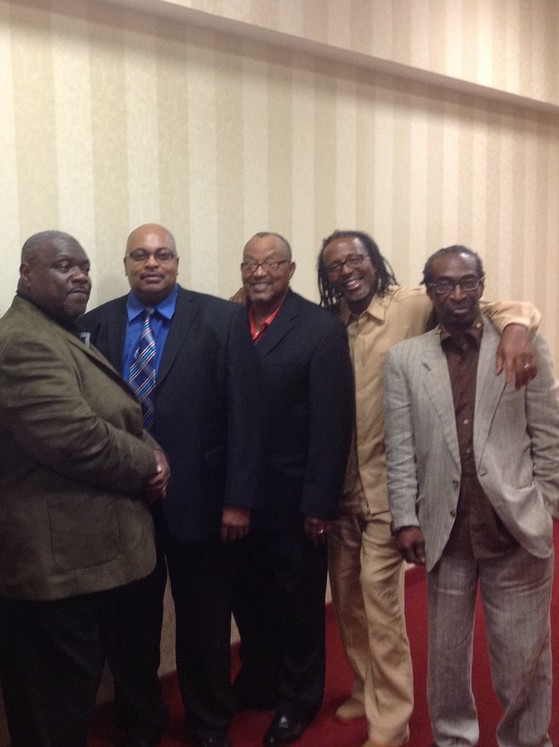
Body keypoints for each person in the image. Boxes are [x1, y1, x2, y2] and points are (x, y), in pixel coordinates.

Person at [317, 230, 541, 747]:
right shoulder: (331, 322)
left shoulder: (412, 304)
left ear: (375, 261)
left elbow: (491, 304)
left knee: (381, 604)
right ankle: (366, 686)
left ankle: (390, 721)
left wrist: (516, 326)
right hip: (340, 486)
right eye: (335, 266)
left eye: (356, 259)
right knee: (348, 600)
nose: (347, 271)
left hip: (389, 484)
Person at [0, 230, 170, 747]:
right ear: (27, 274)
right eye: (64, 266)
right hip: (53, 574)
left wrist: (150, 447)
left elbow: (116, 411)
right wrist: (150, 462)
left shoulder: (54, 330)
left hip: (79, 564)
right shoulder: (26, 342)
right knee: (53, 719)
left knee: (69, 708)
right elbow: (76, 438)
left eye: (84, 267)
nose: (80, 277)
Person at [81, 223, 263, 747]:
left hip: (203, 503)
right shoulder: (95, 325)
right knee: (130, 625)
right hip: (123, 503)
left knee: (205, 624)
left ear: (177, 263)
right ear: (126, 265)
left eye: (163, 254)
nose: (152, 263)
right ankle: (141, 719)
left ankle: (209, 722)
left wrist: (238, 500)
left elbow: (245, 416)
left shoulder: (222, 319)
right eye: (140, 255)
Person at [383, 245, 559, 747]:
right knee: (445, 662)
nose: (458, 293)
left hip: (514, 529)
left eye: (468, 282)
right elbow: (400, 448)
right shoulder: (404, 360)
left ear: (483, 286)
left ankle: (527, 739)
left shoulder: (522, 344)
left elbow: (550, 431)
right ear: (430, 290)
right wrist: (405, 518)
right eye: (444, 284)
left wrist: (547, 505)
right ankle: (453, 739)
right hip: (445, 534)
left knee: (523, 657)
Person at [231, 232, 354, 746]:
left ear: (291, 269)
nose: (259, 272)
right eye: (250, 264)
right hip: (237, 498)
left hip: (295, 500)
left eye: (271, 263)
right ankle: (258, 679)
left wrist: (318, 503)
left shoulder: (320, 329)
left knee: (298, 606)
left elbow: (332, 423)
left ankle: (297, 699)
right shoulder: (228, 319)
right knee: (248, 598)